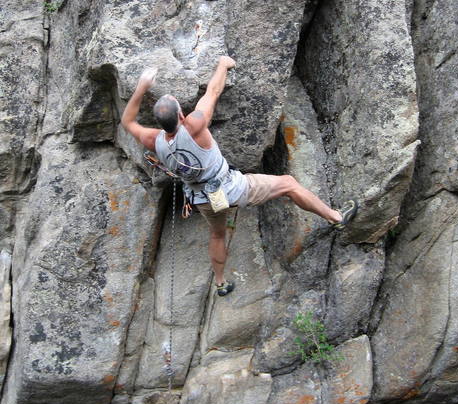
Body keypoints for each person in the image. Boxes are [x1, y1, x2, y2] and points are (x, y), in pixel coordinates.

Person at [121, 56, 358, 296]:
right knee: (289, 184)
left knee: (217, 234)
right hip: (231, 188)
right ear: (182, 116)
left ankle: (221, 283)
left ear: (161, 124)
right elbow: (212, 92)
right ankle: (336, 218)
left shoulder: (154, 141)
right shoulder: (194, 126)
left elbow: (127, 121)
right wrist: (223, 64)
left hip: (202, 199)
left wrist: (141, 87)